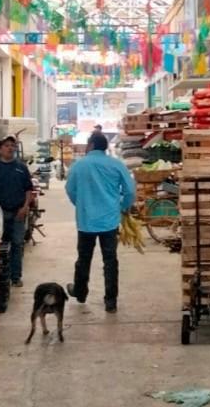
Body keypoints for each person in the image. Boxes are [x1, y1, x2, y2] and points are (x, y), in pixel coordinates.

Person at [66, 133, 135, 313]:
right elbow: (129, 191)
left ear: (90, 145)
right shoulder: (116, 164)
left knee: (84, 258)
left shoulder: (78, 166)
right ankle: (110, 301)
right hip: (109, 221)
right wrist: (122, 206)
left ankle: (80, 292)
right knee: (110, 260)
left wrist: (81, 204)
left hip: (86, 220)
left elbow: (70, 190)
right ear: (104, 147)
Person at [0, 136, 34, 287]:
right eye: (6, 146)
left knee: (17, 244)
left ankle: (15, 277)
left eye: (12, 145)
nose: (10, 148)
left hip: (18, 212)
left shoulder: (21, 167)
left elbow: (28, 189)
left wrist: (25, 207)